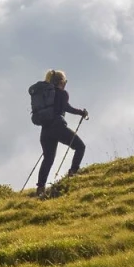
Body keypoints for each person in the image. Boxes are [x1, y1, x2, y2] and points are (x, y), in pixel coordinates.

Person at [35, 69, 88, 197]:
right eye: (65, 81)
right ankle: (73, 172)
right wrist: (81, 112)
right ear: (61, 82)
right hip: (58, 127)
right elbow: (66, 108)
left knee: (48, 159)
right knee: (80, 146)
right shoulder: (62, 93)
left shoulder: (46, 95)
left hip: (45, 131)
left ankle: (40, 188)